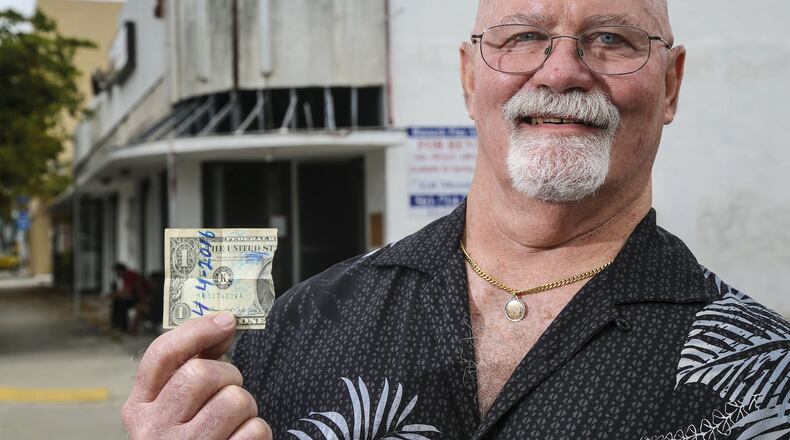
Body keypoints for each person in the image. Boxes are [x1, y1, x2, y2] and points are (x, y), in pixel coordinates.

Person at [121, 1, 790, 439]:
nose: (561, 71)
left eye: (612, 39)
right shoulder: (291, 329)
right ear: (470, 78)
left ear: (670, 85)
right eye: (523, 36)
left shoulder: (767, 376)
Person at [105, 262, 151, 335]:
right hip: (136, 297)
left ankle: (123, 327)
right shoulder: (125, 277)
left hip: (142, 298)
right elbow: (126, 291)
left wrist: (113, 295)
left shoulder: (131, 276)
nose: (117, 274)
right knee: (117, 301)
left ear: (121, 270)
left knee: (121, 303)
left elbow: (128, 292)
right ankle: (117, 325)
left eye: (117, 272)